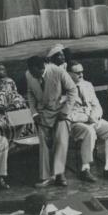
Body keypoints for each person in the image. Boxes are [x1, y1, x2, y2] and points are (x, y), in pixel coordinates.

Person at [25, 55, 78, 188]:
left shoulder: (57, 71)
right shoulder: (29, 74)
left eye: (34, 72)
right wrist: (34, 112)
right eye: (30, 72)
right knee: (43, 144)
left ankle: (60, 174)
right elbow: (30, 94)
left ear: (41, 68)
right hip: (42, 113)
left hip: (60, 111)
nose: (32, 75)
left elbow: (72, 90)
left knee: (61, 140)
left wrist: (66, 111)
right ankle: (45, 177)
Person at [68, 61, 108, 181]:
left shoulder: (87, 85)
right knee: (89, 131)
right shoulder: (64, 88)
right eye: (77, 72)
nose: (81, 74)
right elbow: (68, 114)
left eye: (82, 71)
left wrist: (94, 116)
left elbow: (96, 105)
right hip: (76, 123)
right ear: (68, 74)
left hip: (92, 119)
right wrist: (86, 118)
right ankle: (85, 169)